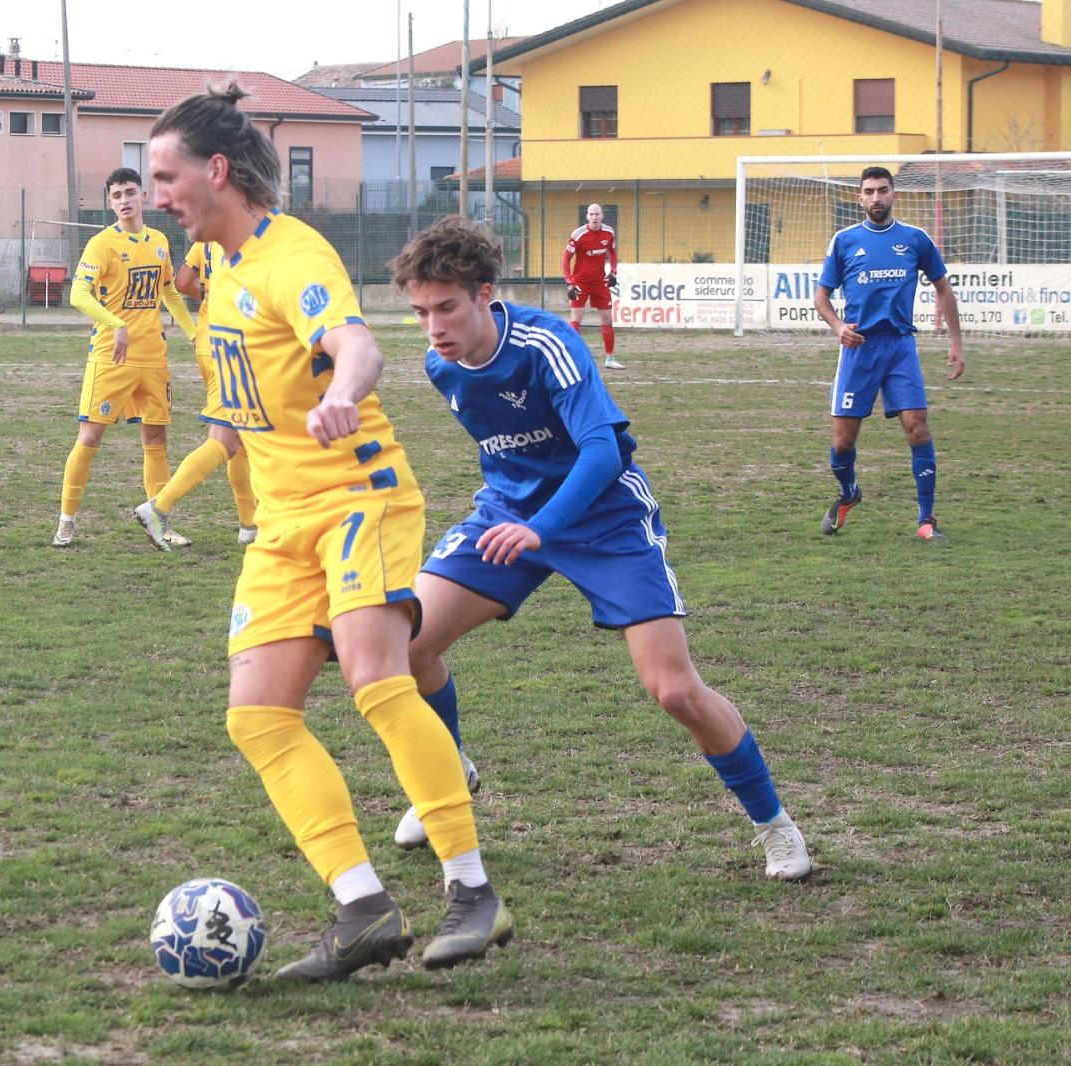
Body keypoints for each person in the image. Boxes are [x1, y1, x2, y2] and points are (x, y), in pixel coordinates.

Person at [148, 85, 514, 981]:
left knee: (375, 679)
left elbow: (355, 342)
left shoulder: (293, 253)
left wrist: (345, 391)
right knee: (258, 717)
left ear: (217, 172)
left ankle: (472, 891)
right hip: (282, 522)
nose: (157, 192)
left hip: (361, 496)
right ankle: (362, 907)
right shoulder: (219, 269)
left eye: (166, 175)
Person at [390, 216, 812, 882]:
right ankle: (448, 774)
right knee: (404, 644)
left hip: (606, 519)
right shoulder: (440, 365)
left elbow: (601, 448)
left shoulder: (546, 343)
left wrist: (545, 526)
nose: (434, 326)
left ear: (485, 294)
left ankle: (775, 826)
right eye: (419, 312)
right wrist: (525, 521)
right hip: (510, 518)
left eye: (446, 307)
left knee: (674, 690)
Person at [813, 165, 964, 543]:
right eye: (869, 191)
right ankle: (849, 494)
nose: (876, 197)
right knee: (843, 443)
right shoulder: (845, 241)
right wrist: (838, 327)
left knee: (917, 427)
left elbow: (943, 288)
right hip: (858, 349)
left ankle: (926, 519)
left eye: (883, 190)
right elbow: (821, 295)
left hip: (899, 347)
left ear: (893, 194)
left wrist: (956, 342)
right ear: (859, 197)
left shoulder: (915, 239)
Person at [53, 167, 197, 548]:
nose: (123, 201)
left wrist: (196, 333)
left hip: (153, 357)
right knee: (89, 437)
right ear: (109, 202)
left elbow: (170, 293)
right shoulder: (100, 244)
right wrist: (116, 322)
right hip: (111, 356)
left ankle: (161, 523)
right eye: (116, 195)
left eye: (129, 192)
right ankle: (66, 521)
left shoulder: (160, 242)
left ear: (143, 196)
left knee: (156, 439)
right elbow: (78, 296)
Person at [133, 238, 258, 549]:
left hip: (208, 344)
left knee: (239, 438)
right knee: (225, 440)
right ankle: (158, 506)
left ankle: (249, 525)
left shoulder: (209, 234)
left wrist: (210, 293)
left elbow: (184, 281)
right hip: (230, 346)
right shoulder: (246, 233)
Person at [563, 203, 623, 370]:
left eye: (597, 214)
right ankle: (570, 357)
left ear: (602, 216)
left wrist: (613, 272)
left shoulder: (609, 233)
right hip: (580, 282)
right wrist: (570, 283)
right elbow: (565, 259)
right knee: (576, 319)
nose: (594, 217)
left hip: (599, 282)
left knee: (607, 319)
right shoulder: (578, 234)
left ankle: (610, 358)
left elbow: (613, 253)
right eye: (591, 214)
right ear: (587, 216)